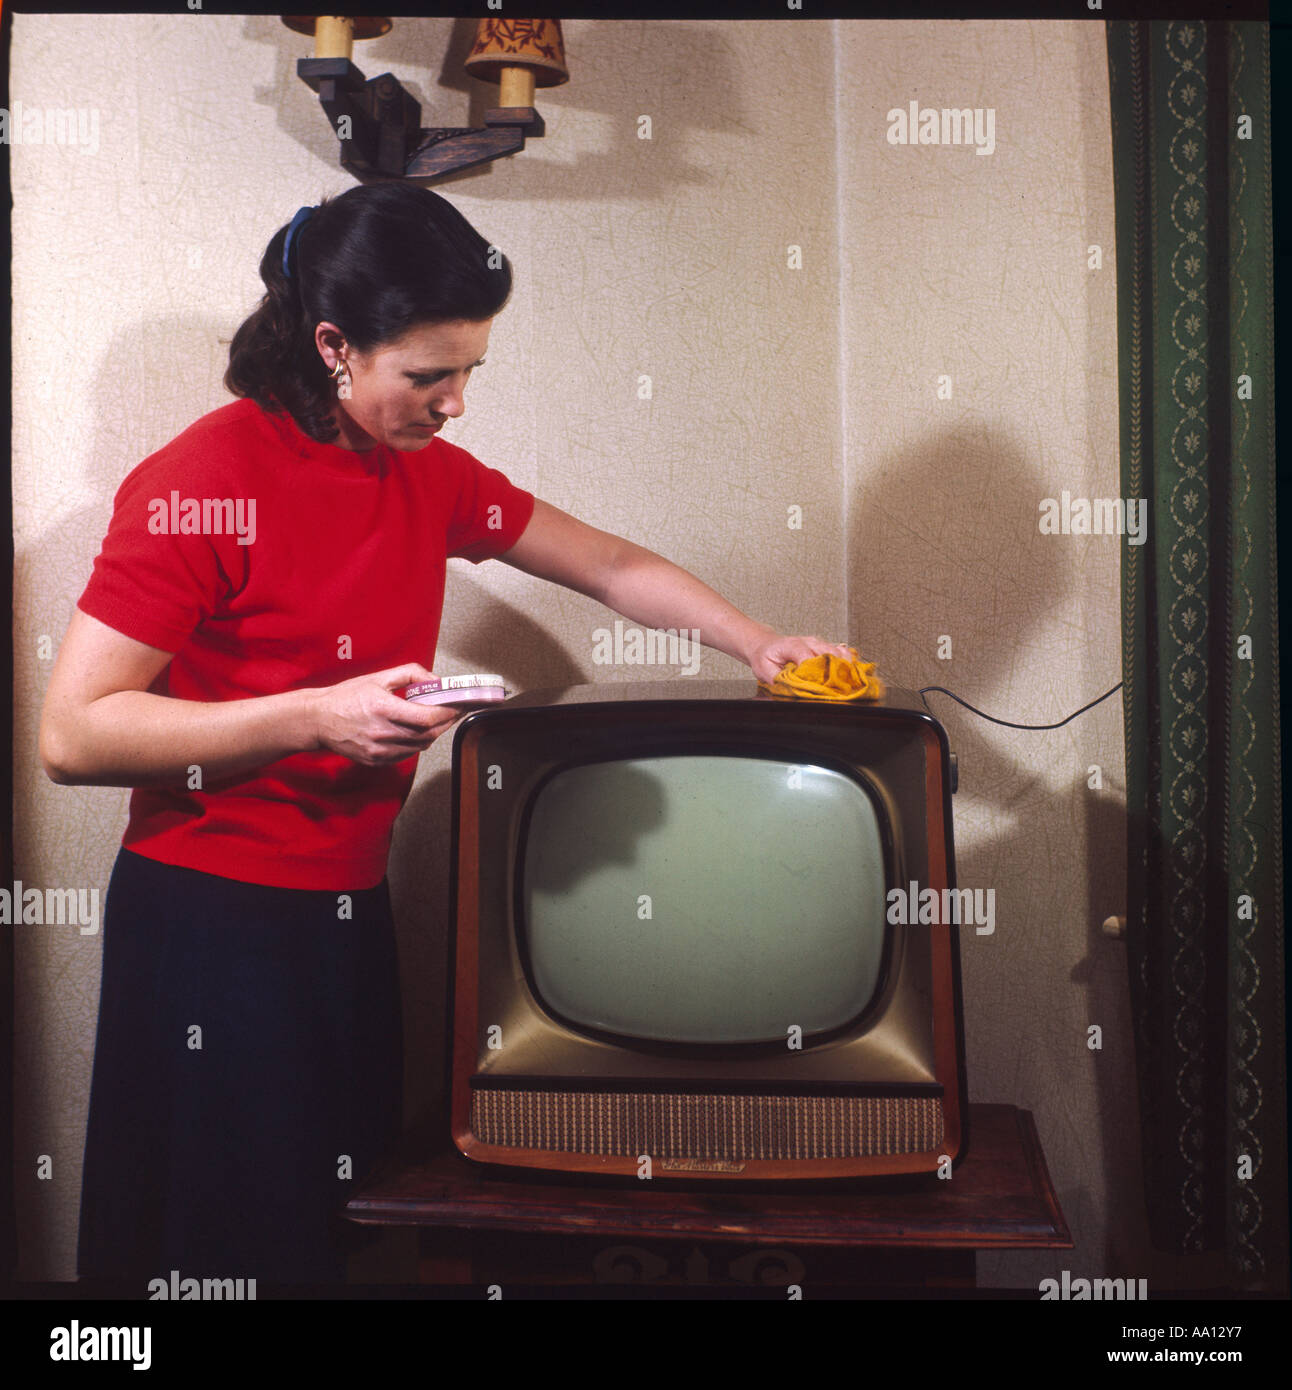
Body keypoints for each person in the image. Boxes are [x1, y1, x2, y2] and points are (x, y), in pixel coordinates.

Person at [40, 183, 855, 1286]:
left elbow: (609, 565)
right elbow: (74, 733)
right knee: (223, 1249)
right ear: (335, 345)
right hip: (211, 926)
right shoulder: (202, 480)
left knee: (329, 1235)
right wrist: (316, 716)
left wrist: (754, 642)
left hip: (344, 911)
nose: (455, 402)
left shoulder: (421, 470)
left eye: (469, 370)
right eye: (429, 374)